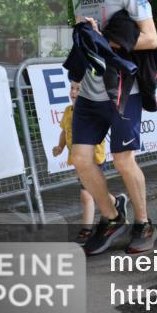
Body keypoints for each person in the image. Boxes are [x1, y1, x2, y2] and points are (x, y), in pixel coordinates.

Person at [69, 0, 157, 256]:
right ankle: (111, 215)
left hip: (123, 89)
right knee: (80, 159)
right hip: (90, 89)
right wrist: (76, 80)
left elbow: (151, 38)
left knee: (123, 161)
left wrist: (108, 41)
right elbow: (84, 42)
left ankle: (144, 223)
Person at [52, 84, 123, 244]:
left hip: (94, 159)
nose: (74, 92)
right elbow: (65, 131)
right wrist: (60, 147)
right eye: (72, 88)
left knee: (86, 195)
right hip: (79, 160)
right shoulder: (68, 111)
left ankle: (86, 229)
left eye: (79, 89)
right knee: (95, 192)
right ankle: (117, 202)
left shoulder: (93, 110)